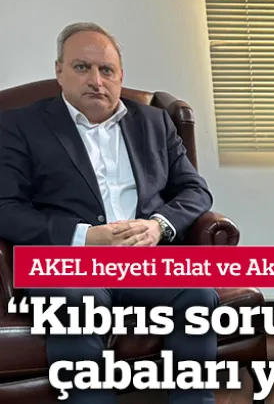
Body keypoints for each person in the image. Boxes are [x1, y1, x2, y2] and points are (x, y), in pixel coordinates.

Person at [0, 22, 219, 404]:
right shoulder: (20, 125)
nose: (96, 80)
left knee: (197, 293)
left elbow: (195, 190)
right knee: (75, 304)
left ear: (120, 75)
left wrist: (159, 227)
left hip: (144, 259)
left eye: (106, 70)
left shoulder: (154, 122)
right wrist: (84, 237)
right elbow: (6, 209)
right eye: (82, 67)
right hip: (67, 263)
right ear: (59, 71)